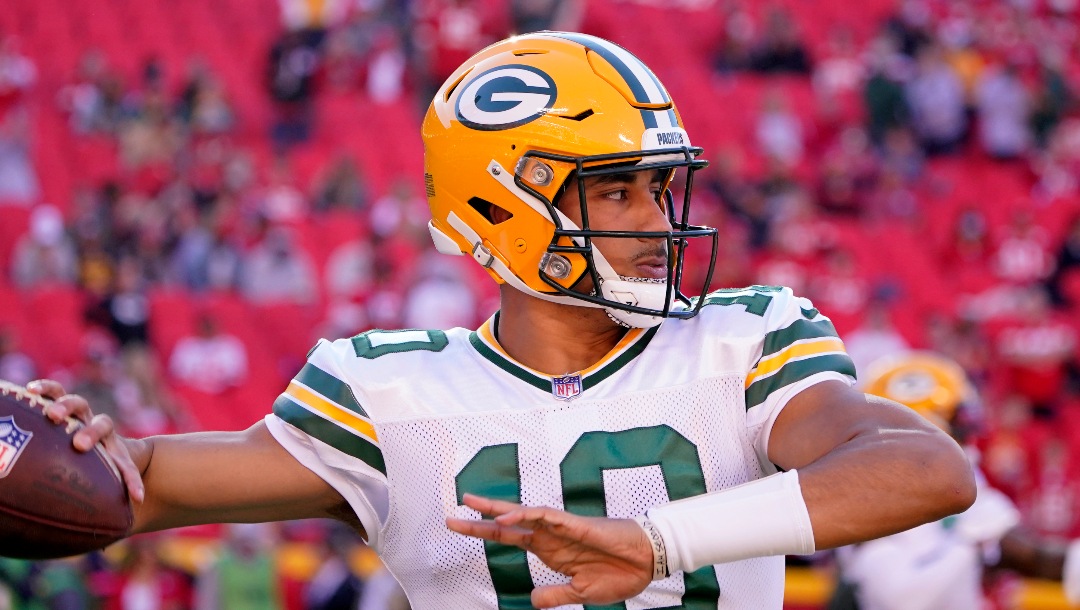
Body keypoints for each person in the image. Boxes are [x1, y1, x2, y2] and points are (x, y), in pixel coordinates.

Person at [31, 32, 975, 610]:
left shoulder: (744, 336)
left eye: (660, 187)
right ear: (501, 207)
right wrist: (60, 444)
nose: (657, 221)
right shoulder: (383, 389)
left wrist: (658, 546)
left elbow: (927, 470)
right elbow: (135, 487)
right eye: (617, 192)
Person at [830, 352, 1080, 610]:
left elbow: (1033, 555)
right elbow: (900, 598)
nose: (968, 441)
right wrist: (970, 548)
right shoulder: (867, 507)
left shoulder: (962, 495)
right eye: (958, 427)